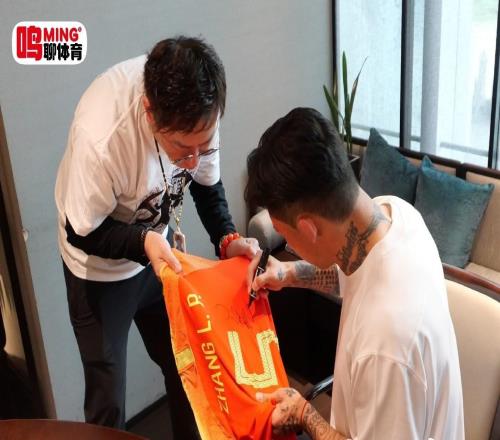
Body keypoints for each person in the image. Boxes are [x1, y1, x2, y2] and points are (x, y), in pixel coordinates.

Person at [55, 36, 258, 438]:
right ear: (150, 112)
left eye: (205, 144)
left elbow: (206, 185)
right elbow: (83, 232)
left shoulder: (199, 113)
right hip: (98, 271)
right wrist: (143, 242)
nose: (194, 159)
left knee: (187, 363)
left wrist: (227, 238)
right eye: (182, 148)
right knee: (108, 396)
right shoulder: (102, 137)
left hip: (157, 255)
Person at [245, 107, 464, 439]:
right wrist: (289, 272)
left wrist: (305, 414)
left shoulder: (385, 342)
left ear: (308, 228)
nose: (285, 241)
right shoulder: (395, 214)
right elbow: (351, 274)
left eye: (283, 233)